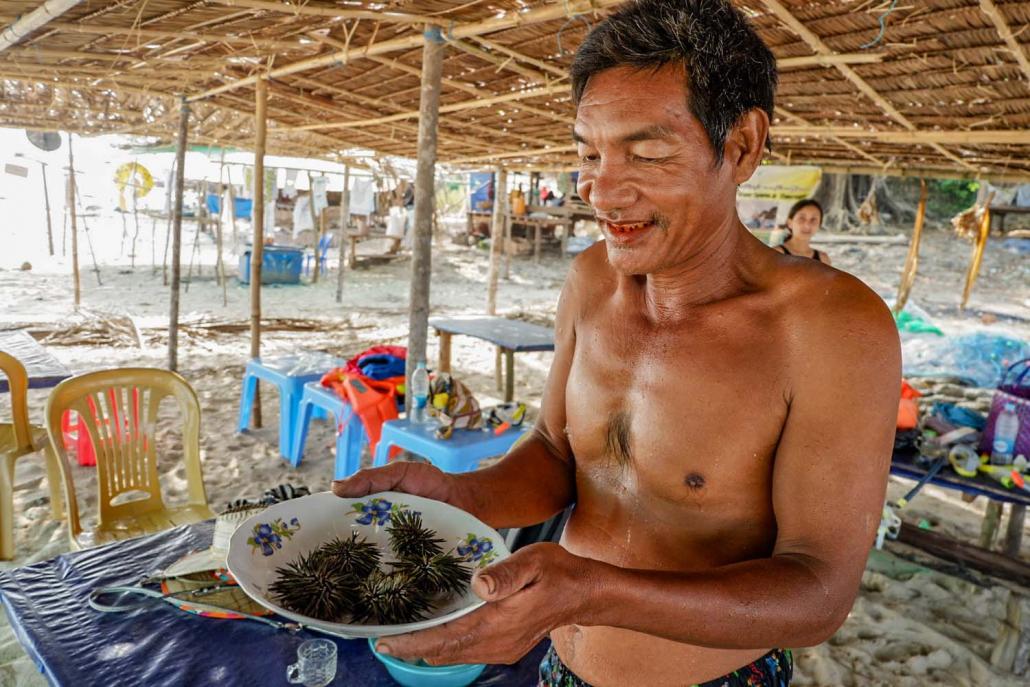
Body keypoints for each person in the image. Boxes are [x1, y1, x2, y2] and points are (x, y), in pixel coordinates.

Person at [333, 1, 900, 685]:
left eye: (647, 152)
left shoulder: (829, 327)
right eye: (588, 152)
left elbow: (819, 593)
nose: (600, 190)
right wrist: (464, 496)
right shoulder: (591, 280)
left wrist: (594, 590)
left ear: (742, 145)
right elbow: (554, 453)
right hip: (561, 667)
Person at [774, 199, 831, 265]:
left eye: (813, 219)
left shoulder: (823, 259)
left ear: (819, 225)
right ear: (789, 223)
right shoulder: (776, 254)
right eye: (802, 218)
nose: (807, 225)